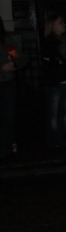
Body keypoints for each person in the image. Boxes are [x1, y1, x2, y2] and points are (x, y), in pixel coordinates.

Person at [41, 15, 66, 149]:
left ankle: (62, 138)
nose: (63, 24)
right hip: (55, 81)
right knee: (53, 112)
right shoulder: (49, 42)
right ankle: (53, 141)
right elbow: (51, 62)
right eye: (60, 22)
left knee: (63, 112)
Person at [0, 19, 29, 160]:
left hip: (7, 83)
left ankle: (8, 148)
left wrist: (14, 63)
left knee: (8, 117)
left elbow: (20, 57)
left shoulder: (6, 41)